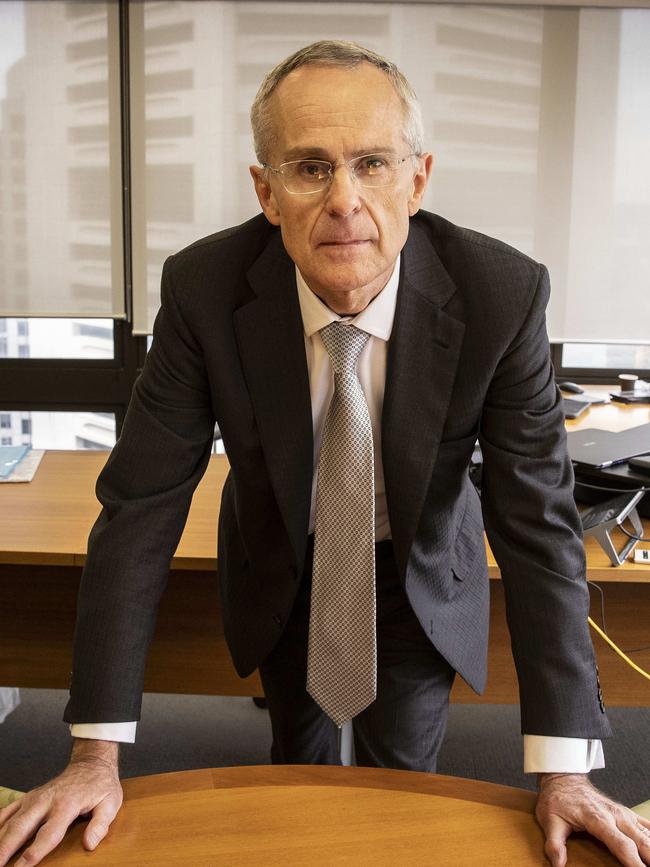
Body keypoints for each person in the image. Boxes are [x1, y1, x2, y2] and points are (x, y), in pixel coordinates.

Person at [1, 40, 649, 867]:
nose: (344, 199)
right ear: (266, 192)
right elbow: (140, 511)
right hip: (285, 556)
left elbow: (537, 527)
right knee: (296, 775)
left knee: (403, 780)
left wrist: (567, 773)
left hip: (414, 564)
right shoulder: (205, 289)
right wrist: (92, 756)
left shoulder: (501, 294)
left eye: (372, 163)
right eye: (309, 168)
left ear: (416, 181)